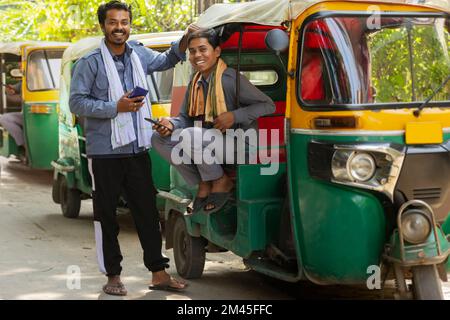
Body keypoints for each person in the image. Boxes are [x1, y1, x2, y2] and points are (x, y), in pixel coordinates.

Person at [69, 0, 195, 296]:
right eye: (113, 22)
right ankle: (113, 275)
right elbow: (76, 102)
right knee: (107, 216)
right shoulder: (90, 63)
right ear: (103, 25)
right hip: (104, 153)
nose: (119, 28)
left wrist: (186, 39)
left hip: (137, 147)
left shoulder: (138, 53)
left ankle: (159, 273)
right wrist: (116, 107)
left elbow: (165, 60)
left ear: (129, 25)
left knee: (148, 213)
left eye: (124, 22)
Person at [151, 29, 275, 215]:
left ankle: (220, 181)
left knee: (190, 135)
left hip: (241, 144)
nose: (197, 55)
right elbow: (185, 118)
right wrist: (170, 124)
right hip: (208, 142)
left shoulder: (230, 79)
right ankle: (204, 182)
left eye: (203, 49)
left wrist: (234, 116)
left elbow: (268, 105)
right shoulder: (195, 82)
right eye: (192, 51)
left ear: (216, 51)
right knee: (158, 140)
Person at [0, 80, 24, 148]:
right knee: (4, 118)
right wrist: (10, 89)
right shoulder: (23, 82)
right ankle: (24, 144)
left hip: (36, 115)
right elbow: (13, 90)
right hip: (26, 115)